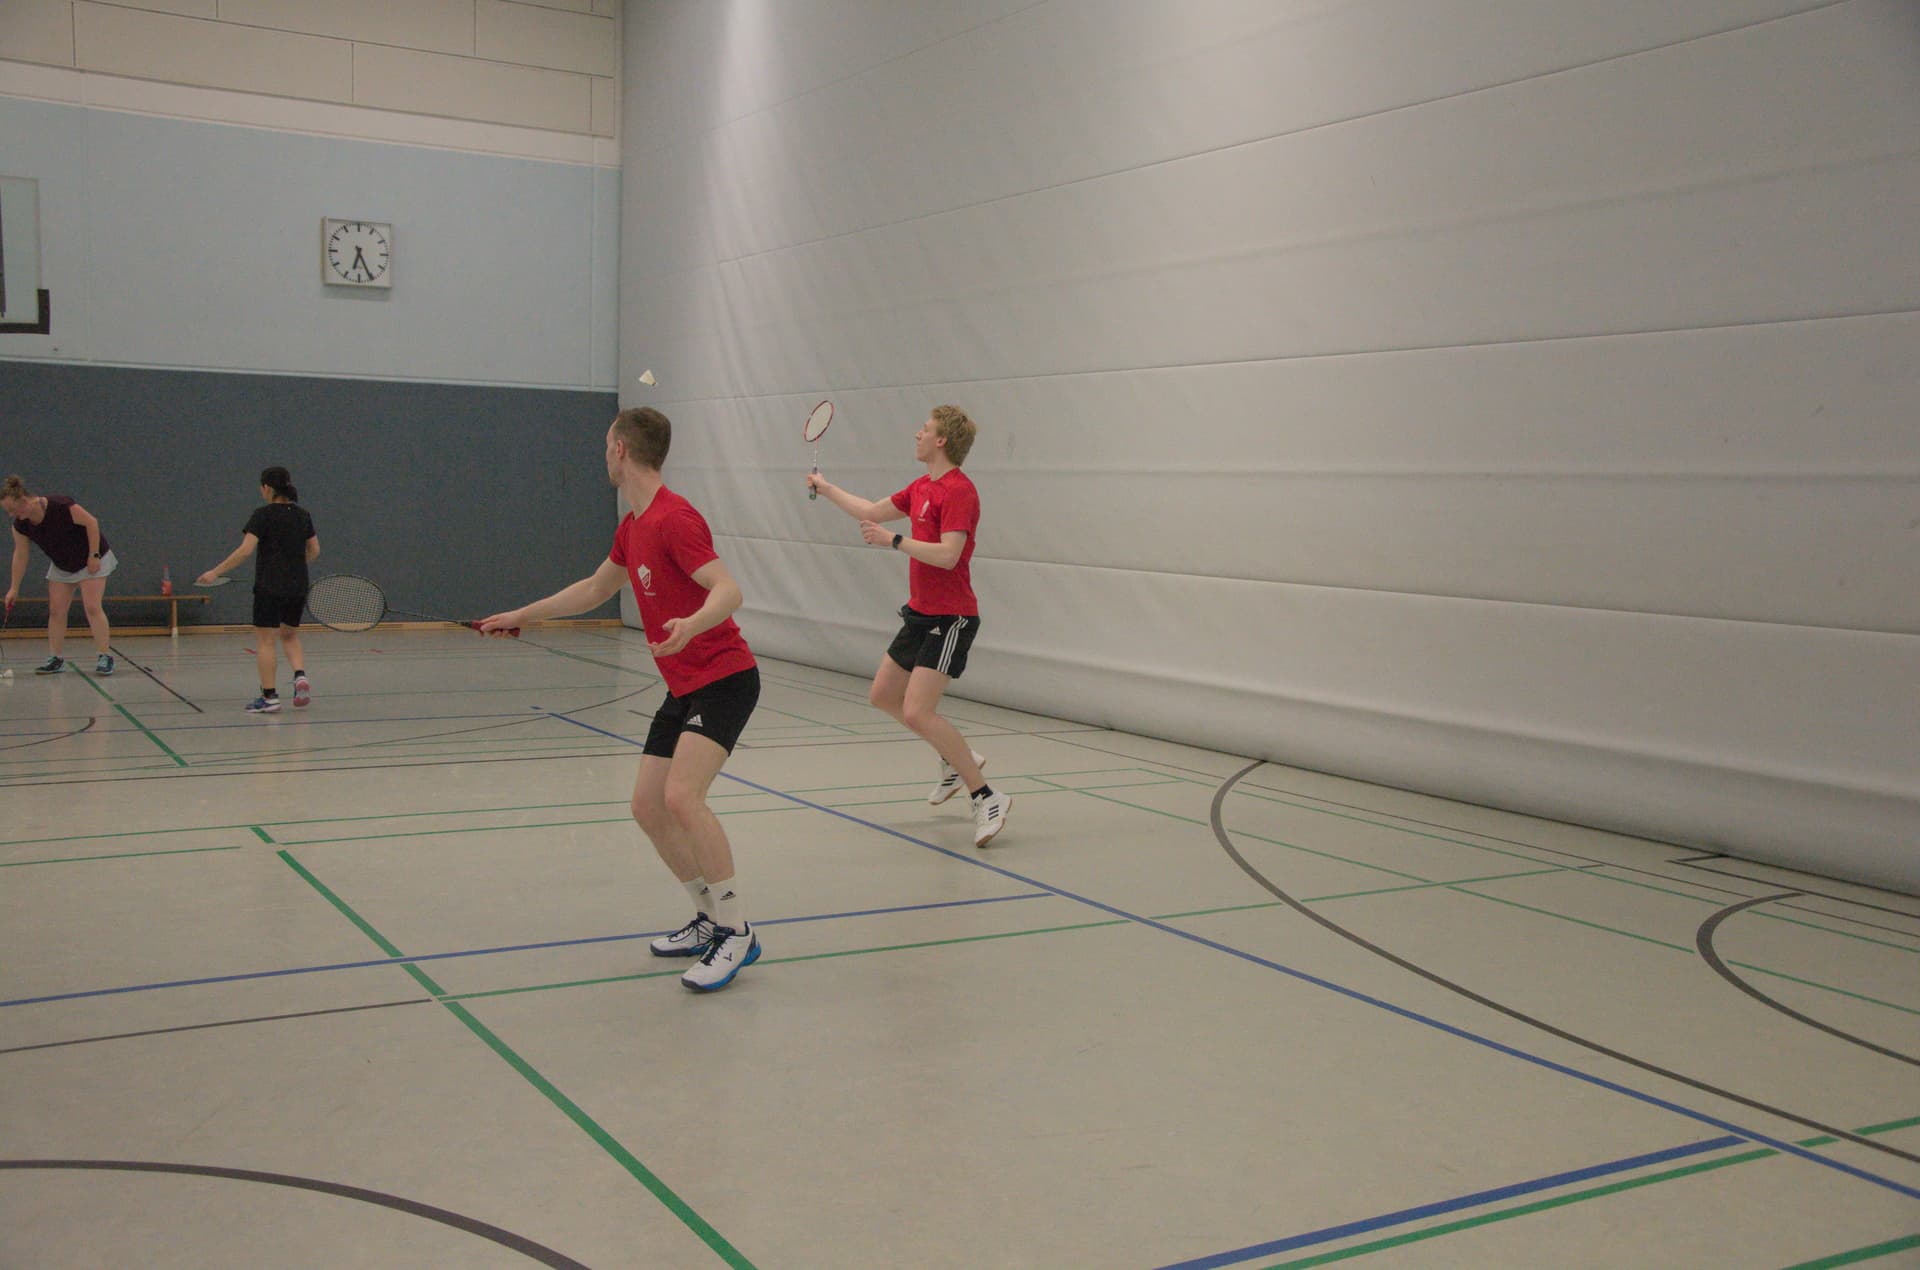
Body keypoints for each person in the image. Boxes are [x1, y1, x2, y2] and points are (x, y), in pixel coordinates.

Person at [480, 407, 764, 993]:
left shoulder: (674, 518)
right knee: (647, 806)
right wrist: (522, 614)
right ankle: (707, 916)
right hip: (683, 684)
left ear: (620, 451)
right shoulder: (633, 525)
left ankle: (736, 931)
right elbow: (594, 588)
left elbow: (729, 589)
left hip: (724, 677)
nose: (603, 454)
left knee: (682, 797)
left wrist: (692, 623)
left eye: (605, 444)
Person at [806, 405, 1011, 847]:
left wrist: (894, 541)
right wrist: (826, 488)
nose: (916, 434)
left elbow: (949, 555)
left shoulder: (959, 491)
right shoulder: (920, 487)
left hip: (951, 617)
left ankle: (986, 795)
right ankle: (955, 759)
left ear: (942, 441)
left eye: (925, 429)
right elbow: (870, 510)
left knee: (918, 710)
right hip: (920, 612)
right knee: (883, 695)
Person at [198, 466, 319, 713]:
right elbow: (315, 550)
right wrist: (293, 567)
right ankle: (300, 675)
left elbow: (245, 550)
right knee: (289, 635)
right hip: (297, 586)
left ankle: (269, 697)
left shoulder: (262, 515)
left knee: (265, 641)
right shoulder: (303, 515)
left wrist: (215, 572)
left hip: (269, 587)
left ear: (267, 488)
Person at [2, 475, 117, 676]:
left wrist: (94, 555)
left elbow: (91, 523)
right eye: (8, 511)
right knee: (56, 610)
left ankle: (104, 656)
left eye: (12, 509)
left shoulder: (60, 506)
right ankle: (55, 659)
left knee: (92, 607)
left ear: (24, 500)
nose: (12, 514)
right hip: (63, 564)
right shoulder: (21, 525)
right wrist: (14, 587)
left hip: (92, 559)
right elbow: (20, 555)